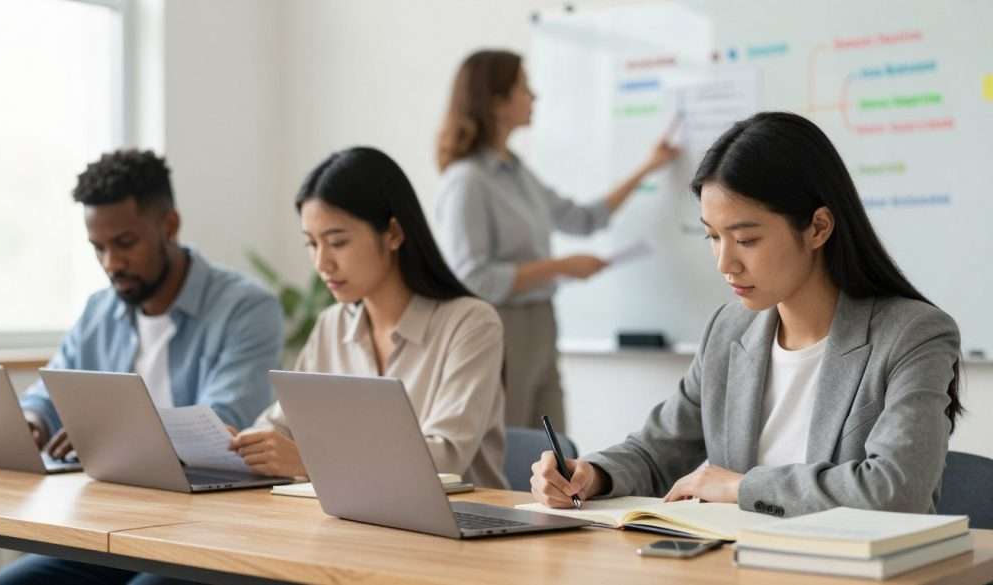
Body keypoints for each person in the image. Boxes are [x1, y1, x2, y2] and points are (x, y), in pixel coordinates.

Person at [529, 112, 962, 518]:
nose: (725, 263)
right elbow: (658, 449)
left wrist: (739, 488)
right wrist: (592, 474)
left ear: (818, 228)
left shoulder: (913, 335)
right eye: (713, 236)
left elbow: (894, 491)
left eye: (746, 239)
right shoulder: (730, 329)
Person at [0, 149, 283, 585]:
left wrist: (116, 433)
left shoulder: (246, 308)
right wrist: (31, 421)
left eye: (125, 244)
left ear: (169, 226)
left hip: (208, 536)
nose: (111, 263)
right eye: (98, 248)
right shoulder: (100, 310)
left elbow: (226, 424)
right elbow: (47, 395)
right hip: (109, 531)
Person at [229, 147, 508, 489]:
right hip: (359, 518)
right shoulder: (333, 324)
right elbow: (281, 425)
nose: (321, 264)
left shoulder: (471, 324)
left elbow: (446, 458)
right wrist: (241, 444)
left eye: (337, 242)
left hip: (460, 523)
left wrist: (312, 459)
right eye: (312, 244)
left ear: (393, 233)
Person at [433, 49, 680, 429]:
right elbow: (473, 278)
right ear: (496, 102)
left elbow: (583, 219)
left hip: (542, 324)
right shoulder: (467, 182)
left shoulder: (517, 172)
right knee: (509, 450)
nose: (534, 97)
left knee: (554, 450)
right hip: (501, 329)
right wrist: (562, 267)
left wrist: (648, 167)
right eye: (523, 88)